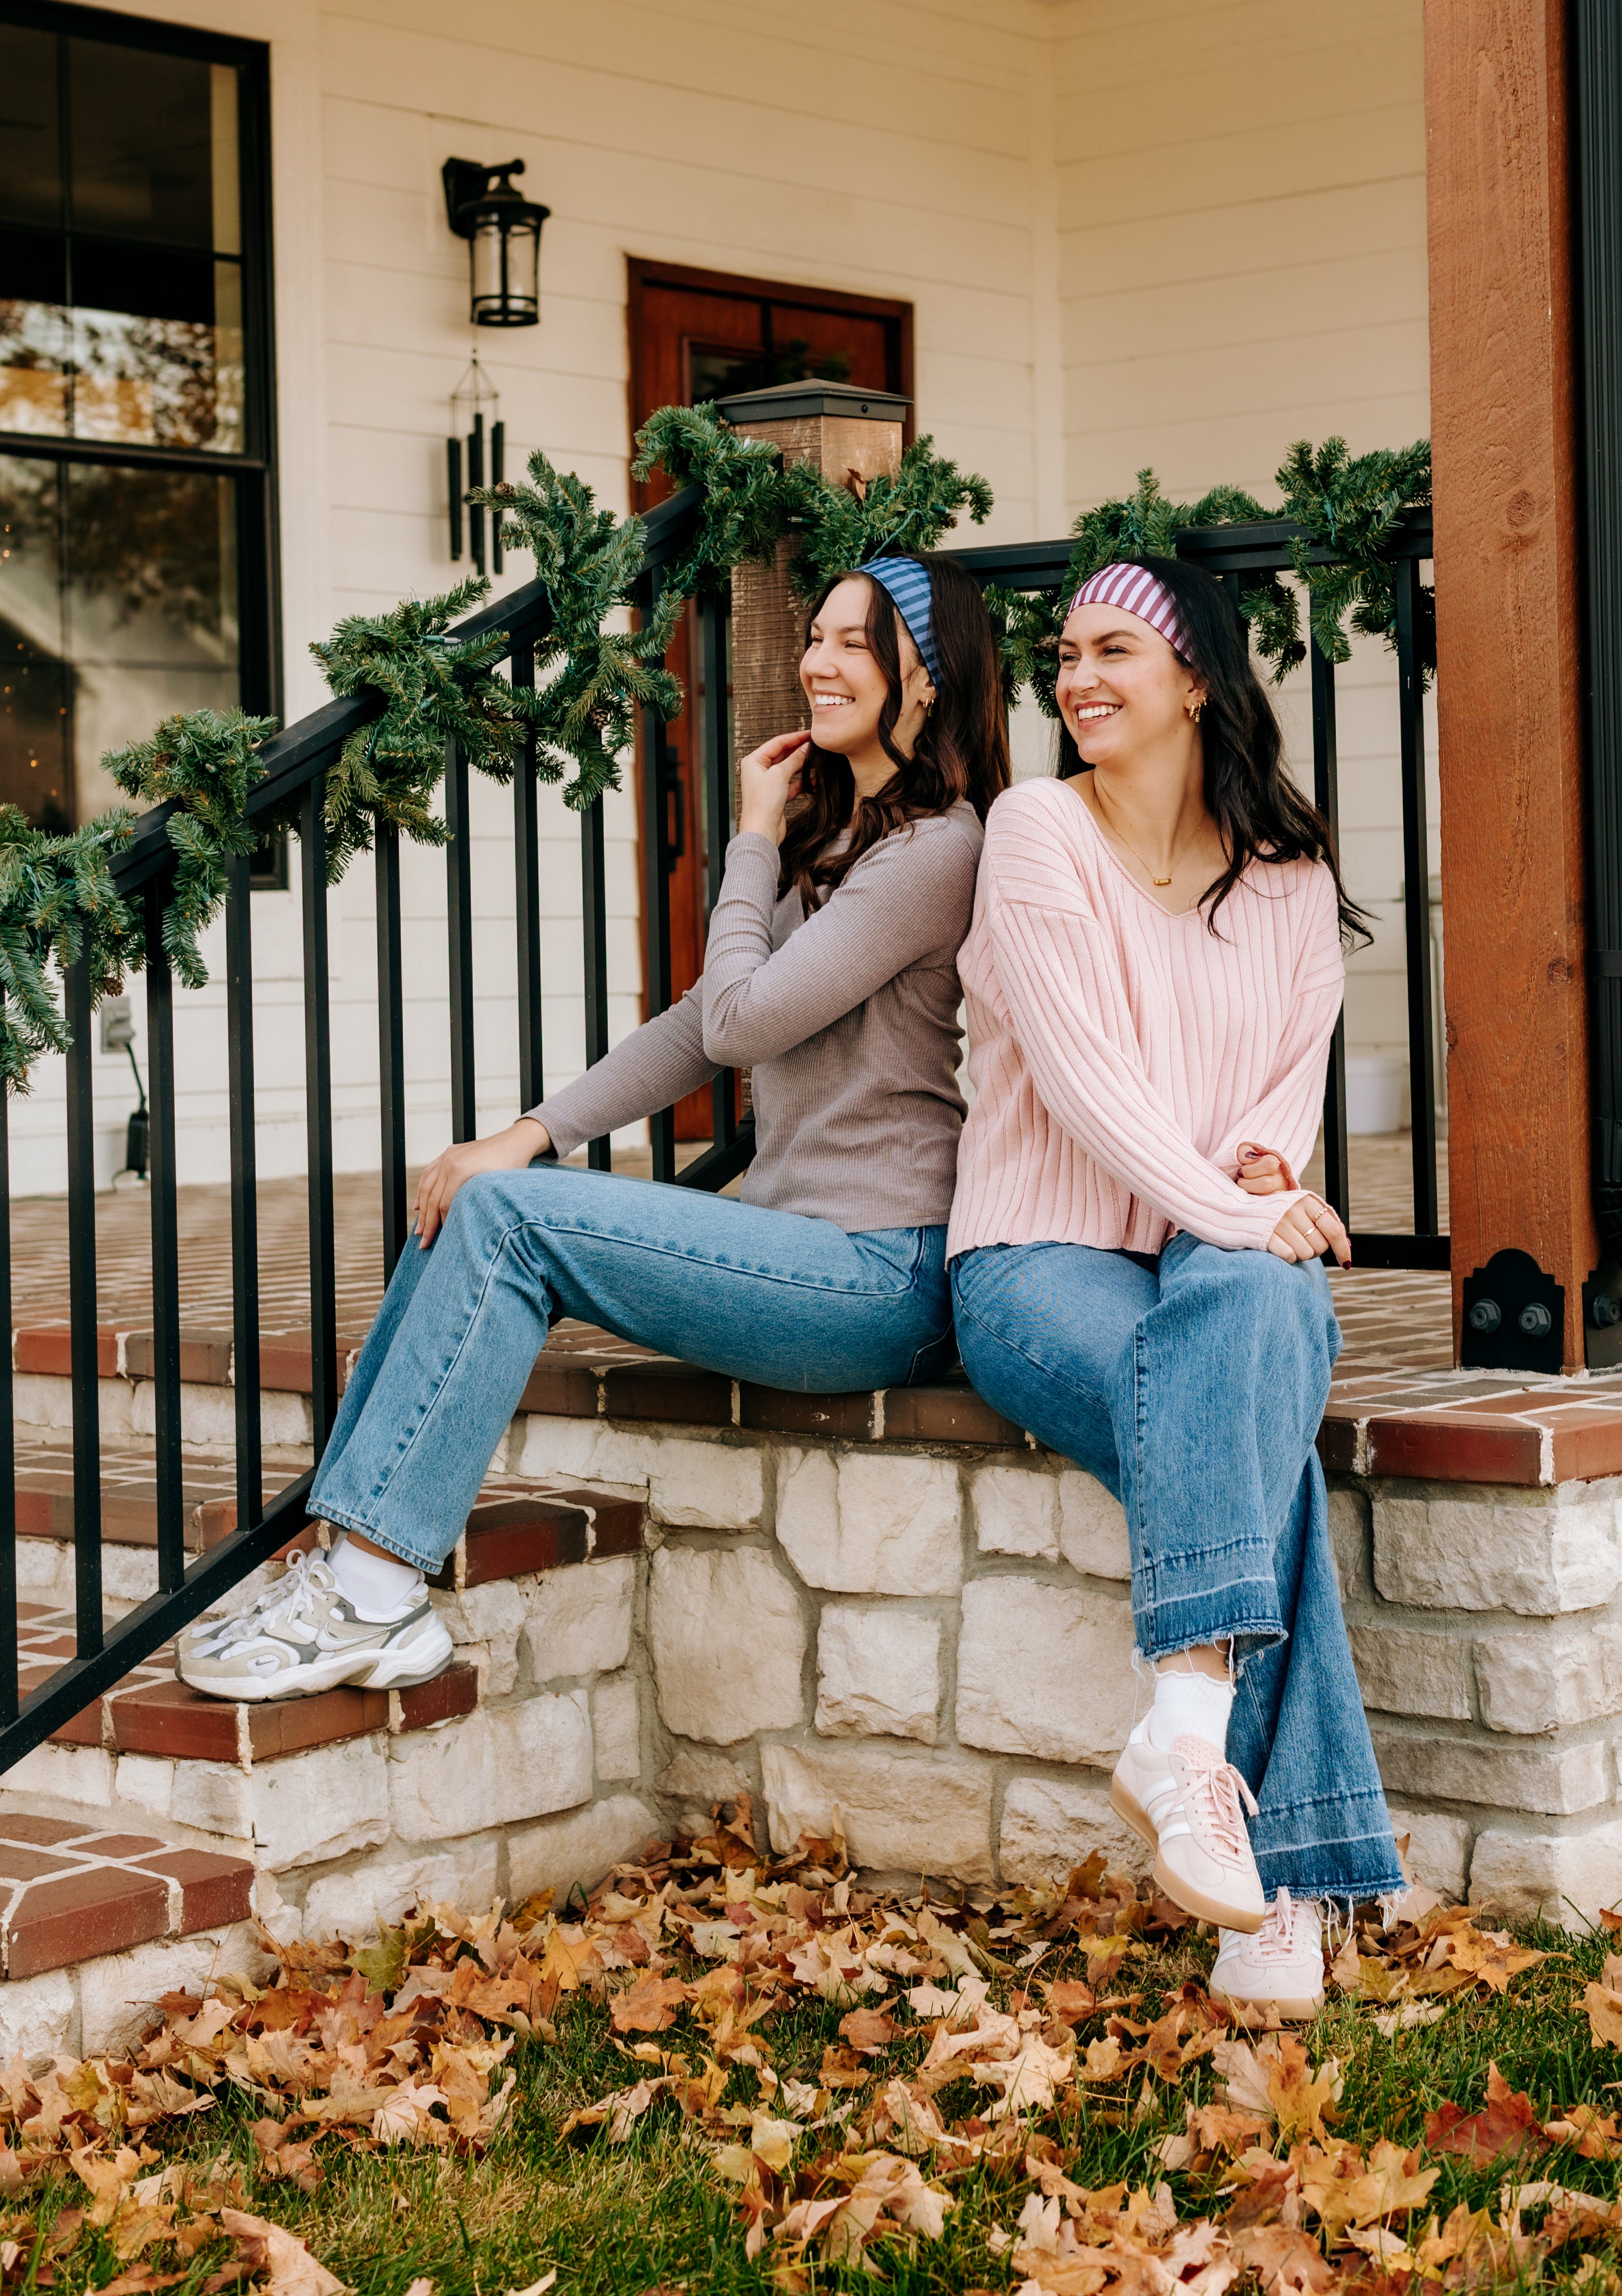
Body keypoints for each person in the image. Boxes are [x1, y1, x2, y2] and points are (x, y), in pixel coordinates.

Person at [178, 553, 1009, 1704]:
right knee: (483, 1193)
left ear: (929, 678)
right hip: (802, 1250)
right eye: (815, 636)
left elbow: (737, 1018)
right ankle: (351, 1563)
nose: (817, 661)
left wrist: (750, 836)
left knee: (513, 1223)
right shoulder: (847, 837)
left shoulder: (937, 850)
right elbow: (691, 1024)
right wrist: (530, 1130)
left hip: (877, 1275)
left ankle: (372, 1594)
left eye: (855, 642)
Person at [946, 554, 1402, 2017]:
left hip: (1208, 1255)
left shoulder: (1290, 881)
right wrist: (1236, 1206)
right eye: (1064, 654)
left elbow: (1279, 1105)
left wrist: (1259, 1186)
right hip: (1040, 1258)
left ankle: (1188, 1741)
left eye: (1114, 651)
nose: (1077, 679)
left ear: (1198, 675)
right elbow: (1087, 1089)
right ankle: (1286, 1881)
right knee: (1259, 1410)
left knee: (1258, 1317)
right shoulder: (1034, 834)